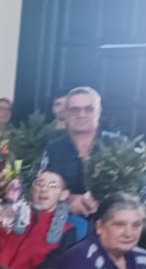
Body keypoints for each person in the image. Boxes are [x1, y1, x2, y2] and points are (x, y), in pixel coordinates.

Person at [35, 86, 114, 216]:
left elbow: (139, 189)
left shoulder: (118, 145)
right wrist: (69, 200)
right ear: (65, 113)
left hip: (112, 226)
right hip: (64, 226)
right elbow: (38, 194)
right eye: (74, 109)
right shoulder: (52, 149)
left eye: (89, 109)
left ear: (99, 111)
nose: (81, 115)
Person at [0, 168, 82, 269]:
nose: (44, 189)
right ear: (33, 189)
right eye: (39, 184)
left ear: (63, 195)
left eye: (52, 186)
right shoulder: (18, 216)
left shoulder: (67, 230)